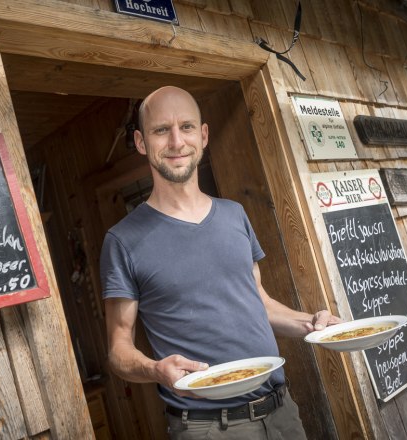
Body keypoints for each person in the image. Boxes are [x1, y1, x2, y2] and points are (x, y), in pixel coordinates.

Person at [100, 86, 342, 439]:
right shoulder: (123, 240)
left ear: (203, 135)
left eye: (186, 127)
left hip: (282, 413)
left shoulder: (235, 215)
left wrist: (313, 323)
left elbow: (259, 302)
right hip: (207, 428)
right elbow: (118, 348)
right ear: (141, 142)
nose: (176, 142)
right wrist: (155, 369)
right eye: (160, 130)